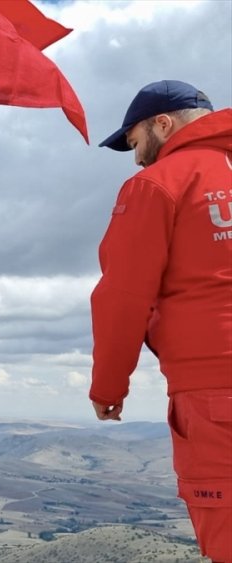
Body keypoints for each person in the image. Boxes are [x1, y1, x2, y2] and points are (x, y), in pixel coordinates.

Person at [90, 79, 231, 562]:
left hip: (216, 394)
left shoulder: (159, 184)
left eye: (135, 143)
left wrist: (108, 388)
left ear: (162, 124)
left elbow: (123, 296)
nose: (137, 159)